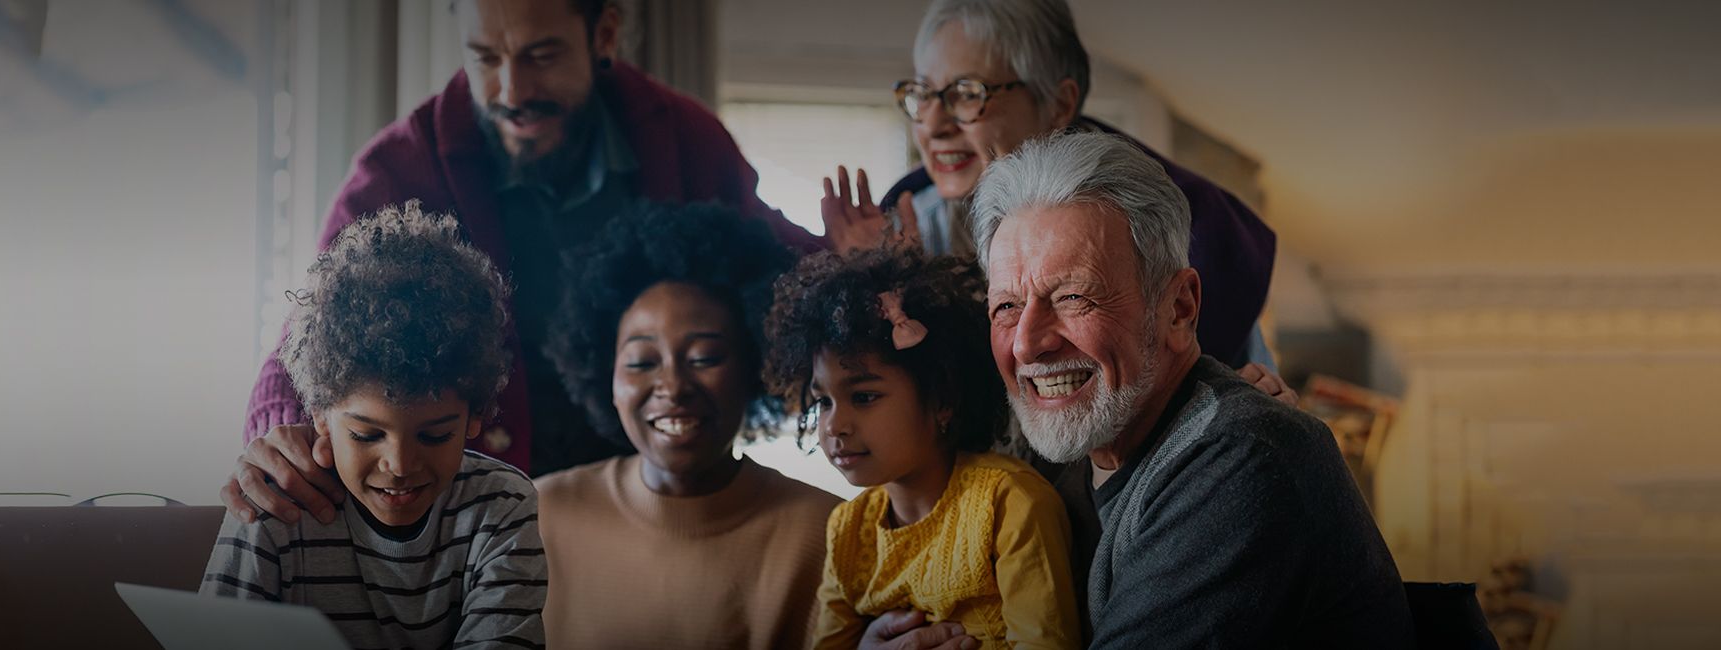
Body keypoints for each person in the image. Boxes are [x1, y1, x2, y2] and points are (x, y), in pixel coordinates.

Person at [224, 0, 888, 528]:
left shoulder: (683, 136)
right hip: (472, 518)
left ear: (603, 34)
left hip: (654, 503)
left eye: (541, 56)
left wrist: (852, 266)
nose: (511, 89)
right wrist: (277, 429)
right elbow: (313, 335)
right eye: (486, 57)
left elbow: (768, 267)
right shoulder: (400, 165)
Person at [973, 131, 1412, 647]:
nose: (1026, 343)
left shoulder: (1244, 459)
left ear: (1179, 308)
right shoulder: (1066, 455)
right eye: (1006, 306)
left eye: (1072, 297)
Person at [820, 0, 1281, 372]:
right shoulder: (911, 229)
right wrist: (874, 283)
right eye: (923, 94)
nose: (934, 125)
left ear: (1059, 104)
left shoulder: (1185, 232)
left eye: (967, 93)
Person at [200, 202, 546, 649]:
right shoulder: (275, 506)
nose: (400, 464)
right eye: (366, 435)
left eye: (434, 435)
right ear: (320, 416)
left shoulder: (500, 507)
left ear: (474, 416)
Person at [534, 201, 841, 648]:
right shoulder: (537, 518)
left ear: (755, 366)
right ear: (607, 377)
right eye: (642, 361)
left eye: (704, 358)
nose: (673, 386)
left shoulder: (827, 533)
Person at [764, 246, 1081, 649]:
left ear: (941, 400)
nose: (834, 425)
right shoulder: (847, 532)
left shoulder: (1008, 505)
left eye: (863, 397)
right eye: (823, 401)